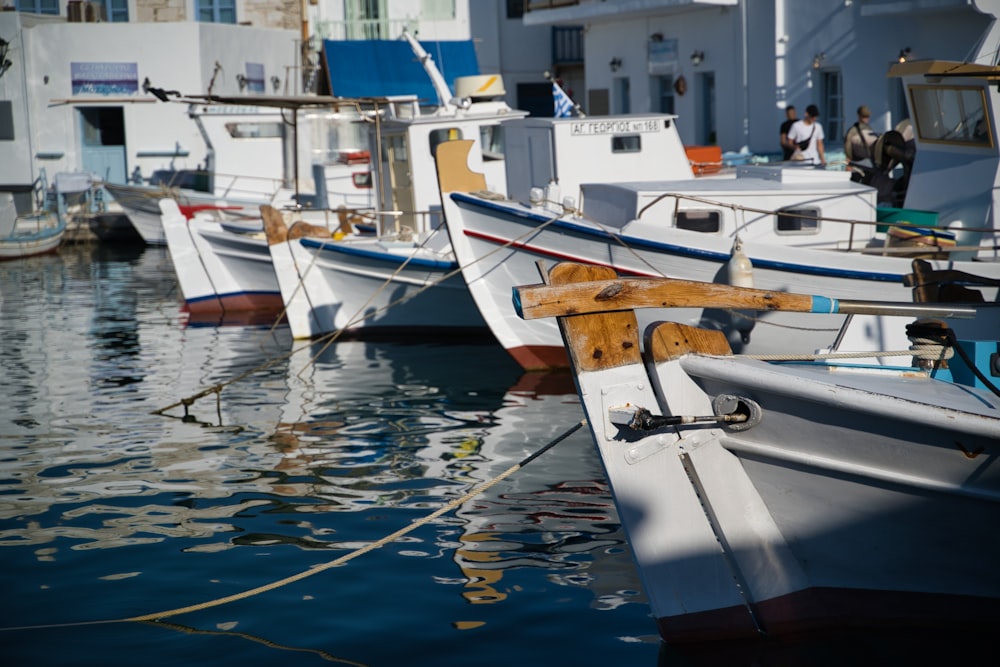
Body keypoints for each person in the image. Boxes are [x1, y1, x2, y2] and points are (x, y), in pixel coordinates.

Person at [844, 105, 878, 181]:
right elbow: (848, 147)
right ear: (859, 116)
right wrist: (848, 164)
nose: (866, 119)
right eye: (864, 116)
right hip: (856, 163)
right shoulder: (853, 130)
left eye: (867, 117)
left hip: (869, 163)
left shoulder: (869, 129)